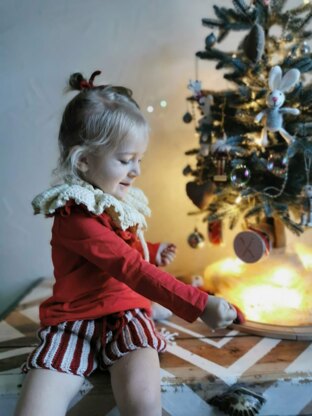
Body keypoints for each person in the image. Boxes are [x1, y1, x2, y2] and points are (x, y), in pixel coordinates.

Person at [15, 71, 238, 416]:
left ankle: (153, 312)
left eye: (139, 160)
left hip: (124, 315)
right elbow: (128, 266)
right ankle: (156, 310)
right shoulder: (75, 216)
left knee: (143, 404)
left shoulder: (115, 204)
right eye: (124, 160)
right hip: (73, 321)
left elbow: (124, 247)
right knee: (35, 408)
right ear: (84, 160)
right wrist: (200, 304)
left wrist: (155, 249)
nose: (136, 171)